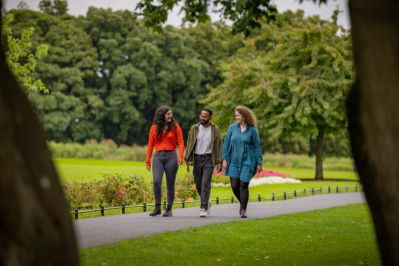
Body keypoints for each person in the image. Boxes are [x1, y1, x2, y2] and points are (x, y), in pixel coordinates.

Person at [222, 106, 263, 218]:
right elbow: (226, 145)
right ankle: (242, 203)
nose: (236, 117)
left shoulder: (252, 130)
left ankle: (243, 209)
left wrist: (259, 163)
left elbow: (257, 147)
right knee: (235, 185)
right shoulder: (232, 128)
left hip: (248, 161)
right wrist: (224, 159)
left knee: (243, 184)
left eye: (238, 115)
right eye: (235, 115)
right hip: (233, 160)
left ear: (244, 116)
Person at [146, 106, 184, 217]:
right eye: (168, 114)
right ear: (162, 115)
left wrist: (180, 157)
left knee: (170, 183)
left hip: (171, 157)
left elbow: (181, 143)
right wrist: (147, 160)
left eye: (171, 114)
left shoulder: (176, 127)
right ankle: (157, 208)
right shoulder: (154, 128)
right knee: (156, 182)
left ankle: (169, 209)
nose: (170, 116)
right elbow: (150, 144)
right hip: (158, 157)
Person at [184, 107, 223, 218]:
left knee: (205, 183)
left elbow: (219, 145)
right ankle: (206, 201)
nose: (202, 118)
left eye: (205, 116)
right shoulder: (194, 128)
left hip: (208, 159)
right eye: (201, 116)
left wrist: (219, 161)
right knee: (198, 184)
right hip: (197, 159)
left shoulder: (215, 129)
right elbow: (189, 143)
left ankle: (203, 208)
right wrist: (187, 158)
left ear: (210, 117)